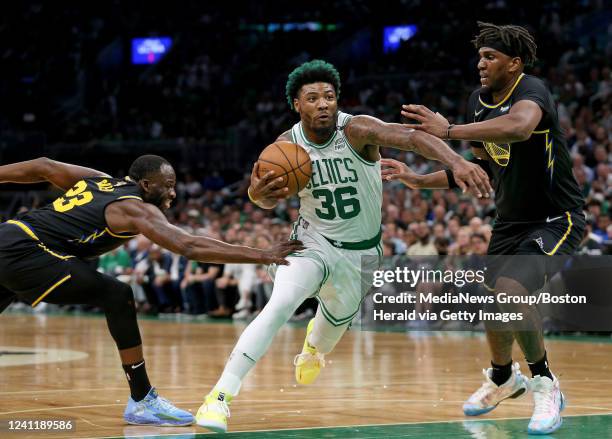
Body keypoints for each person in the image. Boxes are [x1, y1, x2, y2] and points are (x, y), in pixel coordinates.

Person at [195, 59, 492, 432]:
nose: (323, 103)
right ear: (297, 105)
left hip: (361, 252)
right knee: (279, 306)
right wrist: (257, 195)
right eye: (313, 98)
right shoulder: (285, 146)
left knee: (329, 333)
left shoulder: (358, 130)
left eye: (329, 97)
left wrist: (456, 162)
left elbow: (413, 137)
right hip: (310, 242)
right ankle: (219, 397)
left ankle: (314, 348)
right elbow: (265, 200)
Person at [384, 22, 585, 435]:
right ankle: (502, 377)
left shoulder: (533, 90)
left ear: (514, 64)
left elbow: (519, 127)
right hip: (509, 222)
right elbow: (483, 171)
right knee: (496, 304)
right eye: (479, 56)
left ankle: (546, 384)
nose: (481, 63)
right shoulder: (479, 101)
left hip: (555, 219)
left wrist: (449, 132)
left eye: (490, 57)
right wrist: (419, 180)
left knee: (512, 293)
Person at [0, 155, 302, 426]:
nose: (173, 192)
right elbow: (189, 246)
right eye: (167, 185)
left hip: (9, 236)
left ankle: (143, 400)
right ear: (145, 184)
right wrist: (262, 254)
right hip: (26, 250)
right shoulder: (134, 209)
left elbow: (44, 167)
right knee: (116, 293)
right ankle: (142, 399)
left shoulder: (102, 181)